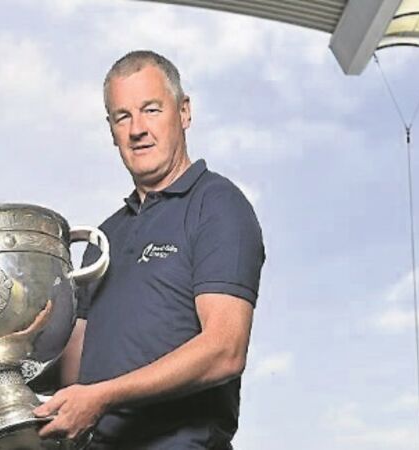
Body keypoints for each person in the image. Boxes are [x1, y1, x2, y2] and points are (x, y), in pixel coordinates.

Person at [33, 50, 266, 449]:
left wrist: (104, 397)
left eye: (151, 110)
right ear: (111, 131)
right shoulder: (104, 239)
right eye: (122, 117)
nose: (137, 129)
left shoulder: (216, 204)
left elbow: (225, 350)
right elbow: (75, 371)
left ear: (184, 112)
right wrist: (3, 360)